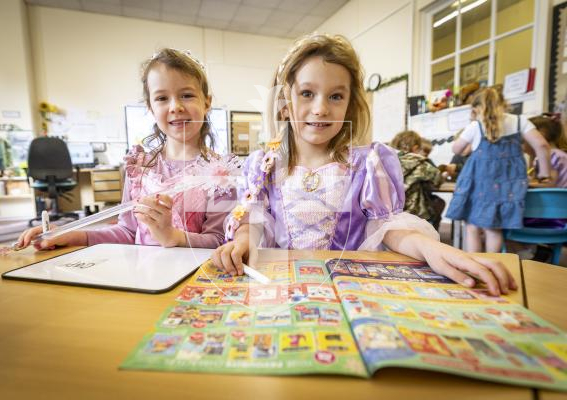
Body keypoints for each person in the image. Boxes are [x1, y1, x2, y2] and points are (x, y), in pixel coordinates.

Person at [212, 34, 516, 296]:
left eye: (335, 96)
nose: (320, 109)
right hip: (282, 287)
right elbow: (254, 221)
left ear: (350, 103)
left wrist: (432, 249)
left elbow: (386, 227)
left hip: (348, 290)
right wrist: (242, 242)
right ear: (284, 100)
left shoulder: (368, 163)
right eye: (307, 93)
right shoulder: (263, 165)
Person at [17, 48, 234, 250]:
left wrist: (173, 236)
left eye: (186, 95)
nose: (175, 107)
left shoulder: (221, 174)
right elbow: (127, 231)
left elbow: (219, 240)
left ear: (207, 103)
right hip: (144, 278)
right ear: (150, 107)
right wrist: (69, 235)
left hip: (193, 282)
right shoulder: (141, 168)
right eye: (161, 98)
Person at [446, 87, 552, 254]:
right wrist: (544, 173)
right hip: (507, 184)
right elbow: (542, 145)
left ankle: (474, 266)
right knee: (494, 228)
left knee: (472, 227)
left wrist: (467, 144)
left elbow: (456, 149)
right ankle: (493, 266)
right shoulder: (520, 121)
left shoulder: (476, 126)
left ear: (477, 108)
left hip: (479, 182)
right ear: (504, 103)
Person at [390, 130, 445, 230]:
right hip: (413, 212)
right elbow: (438, 179)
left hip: (389, 211)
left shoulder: (385, 160)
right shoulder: (419, 162)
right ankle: (430, 236)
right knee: (437, 204)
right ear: (415, 148)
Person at [527, 113, 567, 188]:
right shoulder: (555, 154)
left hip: (560, 198)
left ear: (541, 134)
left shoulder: (551, 156)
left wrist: (523, 185)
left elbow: (549, 184)